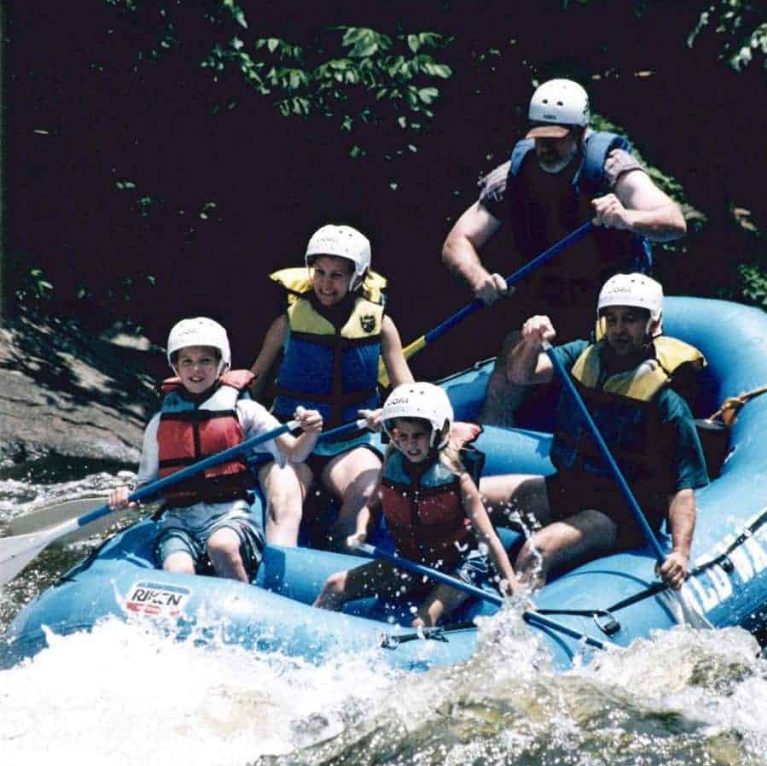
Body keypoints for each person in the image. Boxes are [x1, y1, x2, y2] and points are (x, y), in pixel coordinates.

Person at [442, 78, 689, 425]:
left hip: (614, 306)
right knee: (506, 374)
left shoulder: (611, 168)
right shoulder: (512, 176)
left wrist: (626, 217)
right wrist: (478, 277)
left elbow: (674, 222)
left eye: (556, 140)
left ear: (581, 131)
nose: (546, 148)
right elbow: (457, 243)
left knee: (614, 384)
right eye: (540, 138)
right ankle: (485, 452)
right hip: (550, 302)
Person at [480, 274, 709, 589]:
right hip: (569, 487)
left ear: (652, 324)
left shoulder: (666, 402)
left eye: (630, 320)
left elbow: (681, 489)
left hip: (622, 512)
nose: (619, 329)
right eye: (611, 319)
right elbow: (521, 375)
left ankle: (516, 630)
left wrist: (680, 553)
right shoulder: (581, 355)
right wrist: (531, 343)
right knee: (470, 498)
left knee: (536, 550)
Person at [108, 317, 323, 582]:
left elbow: (294, 453)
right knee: (177, 570)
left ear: (223, 365)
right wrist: (128, 496)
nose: (196, 370)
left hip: (230, 517)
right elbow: (147, 488)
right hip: (180, 522)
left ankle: (244, 604)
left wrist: (311, 432)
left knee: (221, 546)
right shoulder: (160, 423)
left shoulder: (244, 410)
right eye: (187, 361)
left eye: (205, 361)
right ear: (175, 366)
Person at [250, 224, 414, 548]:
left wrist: (393, 414)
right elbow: (256, 381)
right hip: (292, 439)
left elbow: (405, 389)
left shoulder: (380, 323)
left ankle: (335, 568)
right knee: (284, 504)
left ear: (358, 277)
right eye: (320, 272)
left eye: (337, 275)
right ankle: (275, 585)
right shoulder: (288, 320)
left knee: (367, 496)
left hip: (350, 439)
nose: (326, 283)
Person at [316, 382, 518, 628]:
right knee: (334, 586)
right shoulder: (392, 462)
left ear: (437, 433)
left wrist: (513, 592)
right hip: (412, 563)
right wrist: (361, 530)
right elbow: (371, 506)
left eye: (418, 436)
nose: (410, 445)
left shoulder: (458, 479)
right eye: (402, 436)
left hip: (460, 566)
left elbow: (489, 539)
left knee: (421, 622)